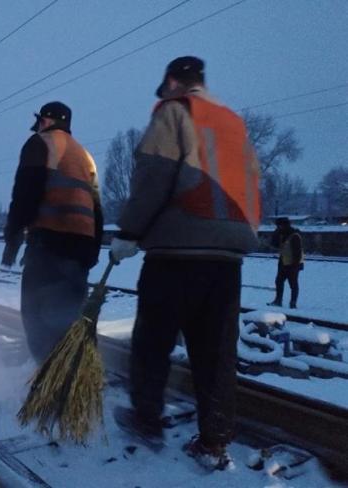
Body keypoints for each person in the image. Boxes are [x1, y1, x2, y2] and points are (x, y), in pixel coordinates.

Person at [110, 56, 261, 470]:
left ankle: (146, 421)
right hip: (227, 255)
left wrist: (128, 232)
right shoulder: (232, 122)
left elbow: (152, 178)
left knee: (152, 343)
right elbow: (249, 180)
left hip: (176, 252)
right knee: (216, 353)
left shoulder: (175, 112)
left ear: (174, 82)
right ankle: (214, 441)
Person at [1, 101, 103, 363]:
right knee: (67, 317)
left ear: (45, 121)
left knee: (37, 318)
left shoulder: (41, 143)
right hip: (79, 250)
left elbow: (26, 192)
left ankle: (48, 383)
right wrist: (91, 252)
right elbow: (97, 208)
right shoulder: (84, 155)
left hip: (49, 244)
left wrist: (13, 236)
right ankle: (73, 378)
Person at [268, 217, 303, 308]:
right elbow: (274, 245)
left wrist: (295, 265)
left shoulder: (294, 235)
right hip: (283, 261)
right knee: (279, 282)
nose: (278, 227)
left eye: (278, 226)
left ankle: (293, 303)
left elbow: (297, 252)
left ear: (283, 225)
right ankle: (278, 300)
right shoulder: (282, 234)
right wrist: (275, 233)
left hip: (292, 264)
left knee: (293, 284)